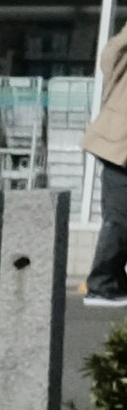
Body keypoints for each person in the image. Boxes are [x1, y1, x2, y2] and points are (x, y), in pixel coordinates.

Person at [93, 18, 127, 299]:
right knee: (119, 220)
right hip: (120, 151)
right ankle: (102, 283)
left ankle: (114, 281)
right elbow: (110, 55)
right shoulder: (120, 64)